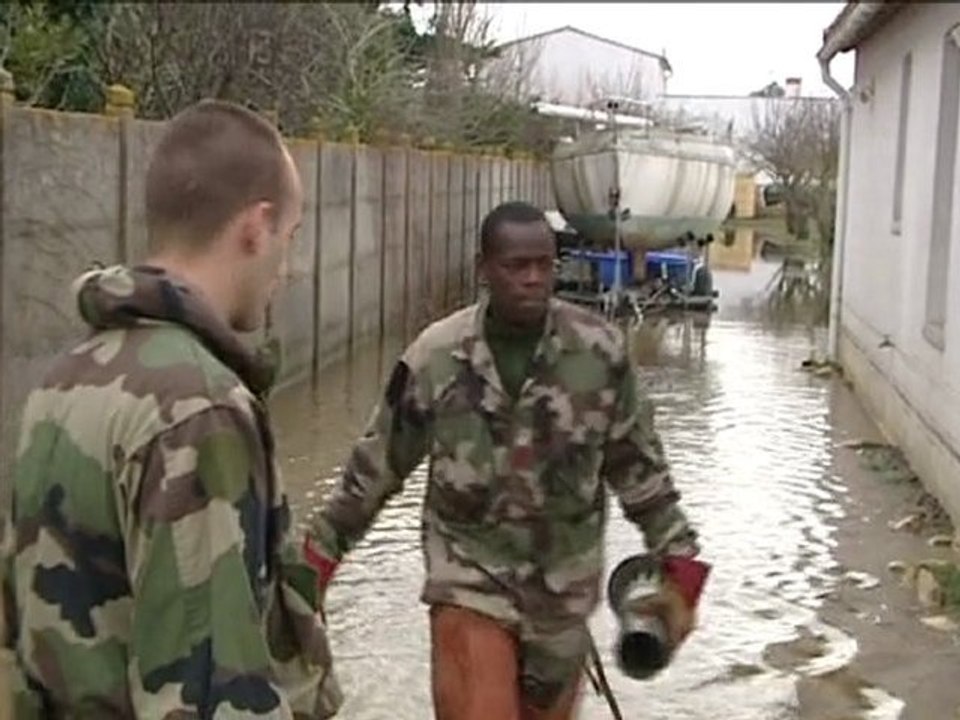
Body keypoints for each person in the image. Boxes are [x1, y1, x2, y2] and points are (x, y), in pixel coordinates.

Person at [1, 100, 341, 718]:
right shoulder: (198, 408)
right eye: (289, 238)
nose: (288, 269)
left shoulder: (62, 381)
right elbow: (209, 692)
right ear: (257, 226)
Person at [306, 201, 706, 720]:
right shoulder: (436, 357)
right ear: (485, 269)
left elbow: (641, 474)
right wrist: (316, 561)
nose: (532, 279)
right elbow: (376, 468)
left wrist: (681, 566)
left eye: (544, 265)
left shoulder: (599, 354)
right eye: (516, 266)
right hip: (468, 578)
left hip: (562, 600)